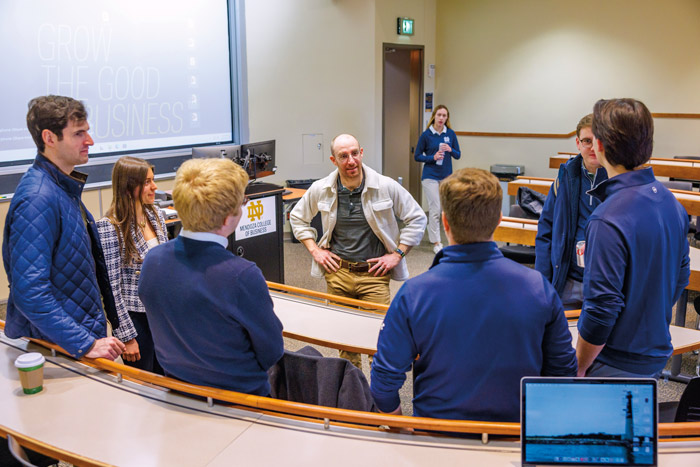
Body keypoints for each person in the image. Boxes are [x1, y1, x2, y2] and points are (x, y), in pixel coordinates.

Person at [370, 168, 577, 422]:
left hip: (436, 439)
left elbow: (383, 384)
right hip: (514, 437)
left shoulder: (413, 294)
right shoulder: (539, 288)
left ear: (445, 222)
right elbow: (563, 374)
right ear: (499, 220)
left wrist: (403, 431)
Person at [138, 158, 284, 395]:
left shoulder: (152, 261)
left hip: (176, 391)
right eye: (243, 201)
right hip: (241, 400)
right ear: (228, 219)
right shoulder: (242, 275)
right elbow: (273, 350)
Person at [2, 95, 124, 360]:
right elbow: (30, 293)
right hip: (59, 349)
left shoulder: (61, 187)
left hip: (72, 340)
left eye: (87, 132)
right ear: (49, 138)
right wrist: (85, 344)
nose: (89, 141)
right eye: (79, 134)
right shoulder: (37, 198)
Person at [290, 133, 426, 369]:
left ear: (361, 153)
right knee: (346, 342)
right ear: (334, 160)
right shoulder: (321, 188)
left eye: (354, 153)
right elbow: (297, 217)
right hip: (338, 274)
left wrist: (398, 254)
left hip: (374, 275)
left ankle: (379, 401)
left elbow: (417, 218)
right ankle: (353, 396)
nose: (351, 161)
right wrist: (315, 250)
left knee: (377, 342)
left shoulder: (385, 186)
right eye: (343, 156)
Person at [576, 98, 690, 378]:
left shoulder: (607, 218)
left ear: (599, 145)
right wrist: (647, 311)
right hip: (652, 353)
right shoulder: (670, 202)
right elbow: (681, 275)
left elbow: (602, 309)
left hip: (614, 361)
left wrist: (577, 367)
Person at [97, 156, 169, 373]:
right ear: (129, 187)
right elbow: (112, 290)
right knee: (144, 384)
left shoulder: (156, 215)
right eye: (147, 182)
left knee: (166, 378)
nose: (154, 186)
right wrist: (126, 337)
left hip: (160, 315)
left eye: (153, 180)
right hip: (135, 319)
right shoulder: (110, 227)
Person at [535, 114, 607, 309]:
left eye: (598, 141)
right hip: (569, 280)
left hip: (605, 285)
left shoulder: (618, 181)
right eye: (586, 141)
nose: (592, 148)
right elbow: (545, 230)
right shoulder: (564, 179)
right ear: (577, 143)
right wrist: (543, 281)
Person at [414, 105, 461, 254]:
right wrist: (432, 158)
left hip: (446, 177)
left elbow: (458, 154)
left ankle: (450, 237)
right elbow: (417, 156)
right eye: (439, 115)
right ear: (434, 116)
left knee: (446, 209)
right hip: (430, 176)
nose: (441, 118)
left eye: (444, 116)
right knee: (435, 208)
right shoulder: (426, 135)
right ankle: (436, 242)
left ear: (447, 118)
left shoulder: (450, 134)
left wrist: (450, 150)